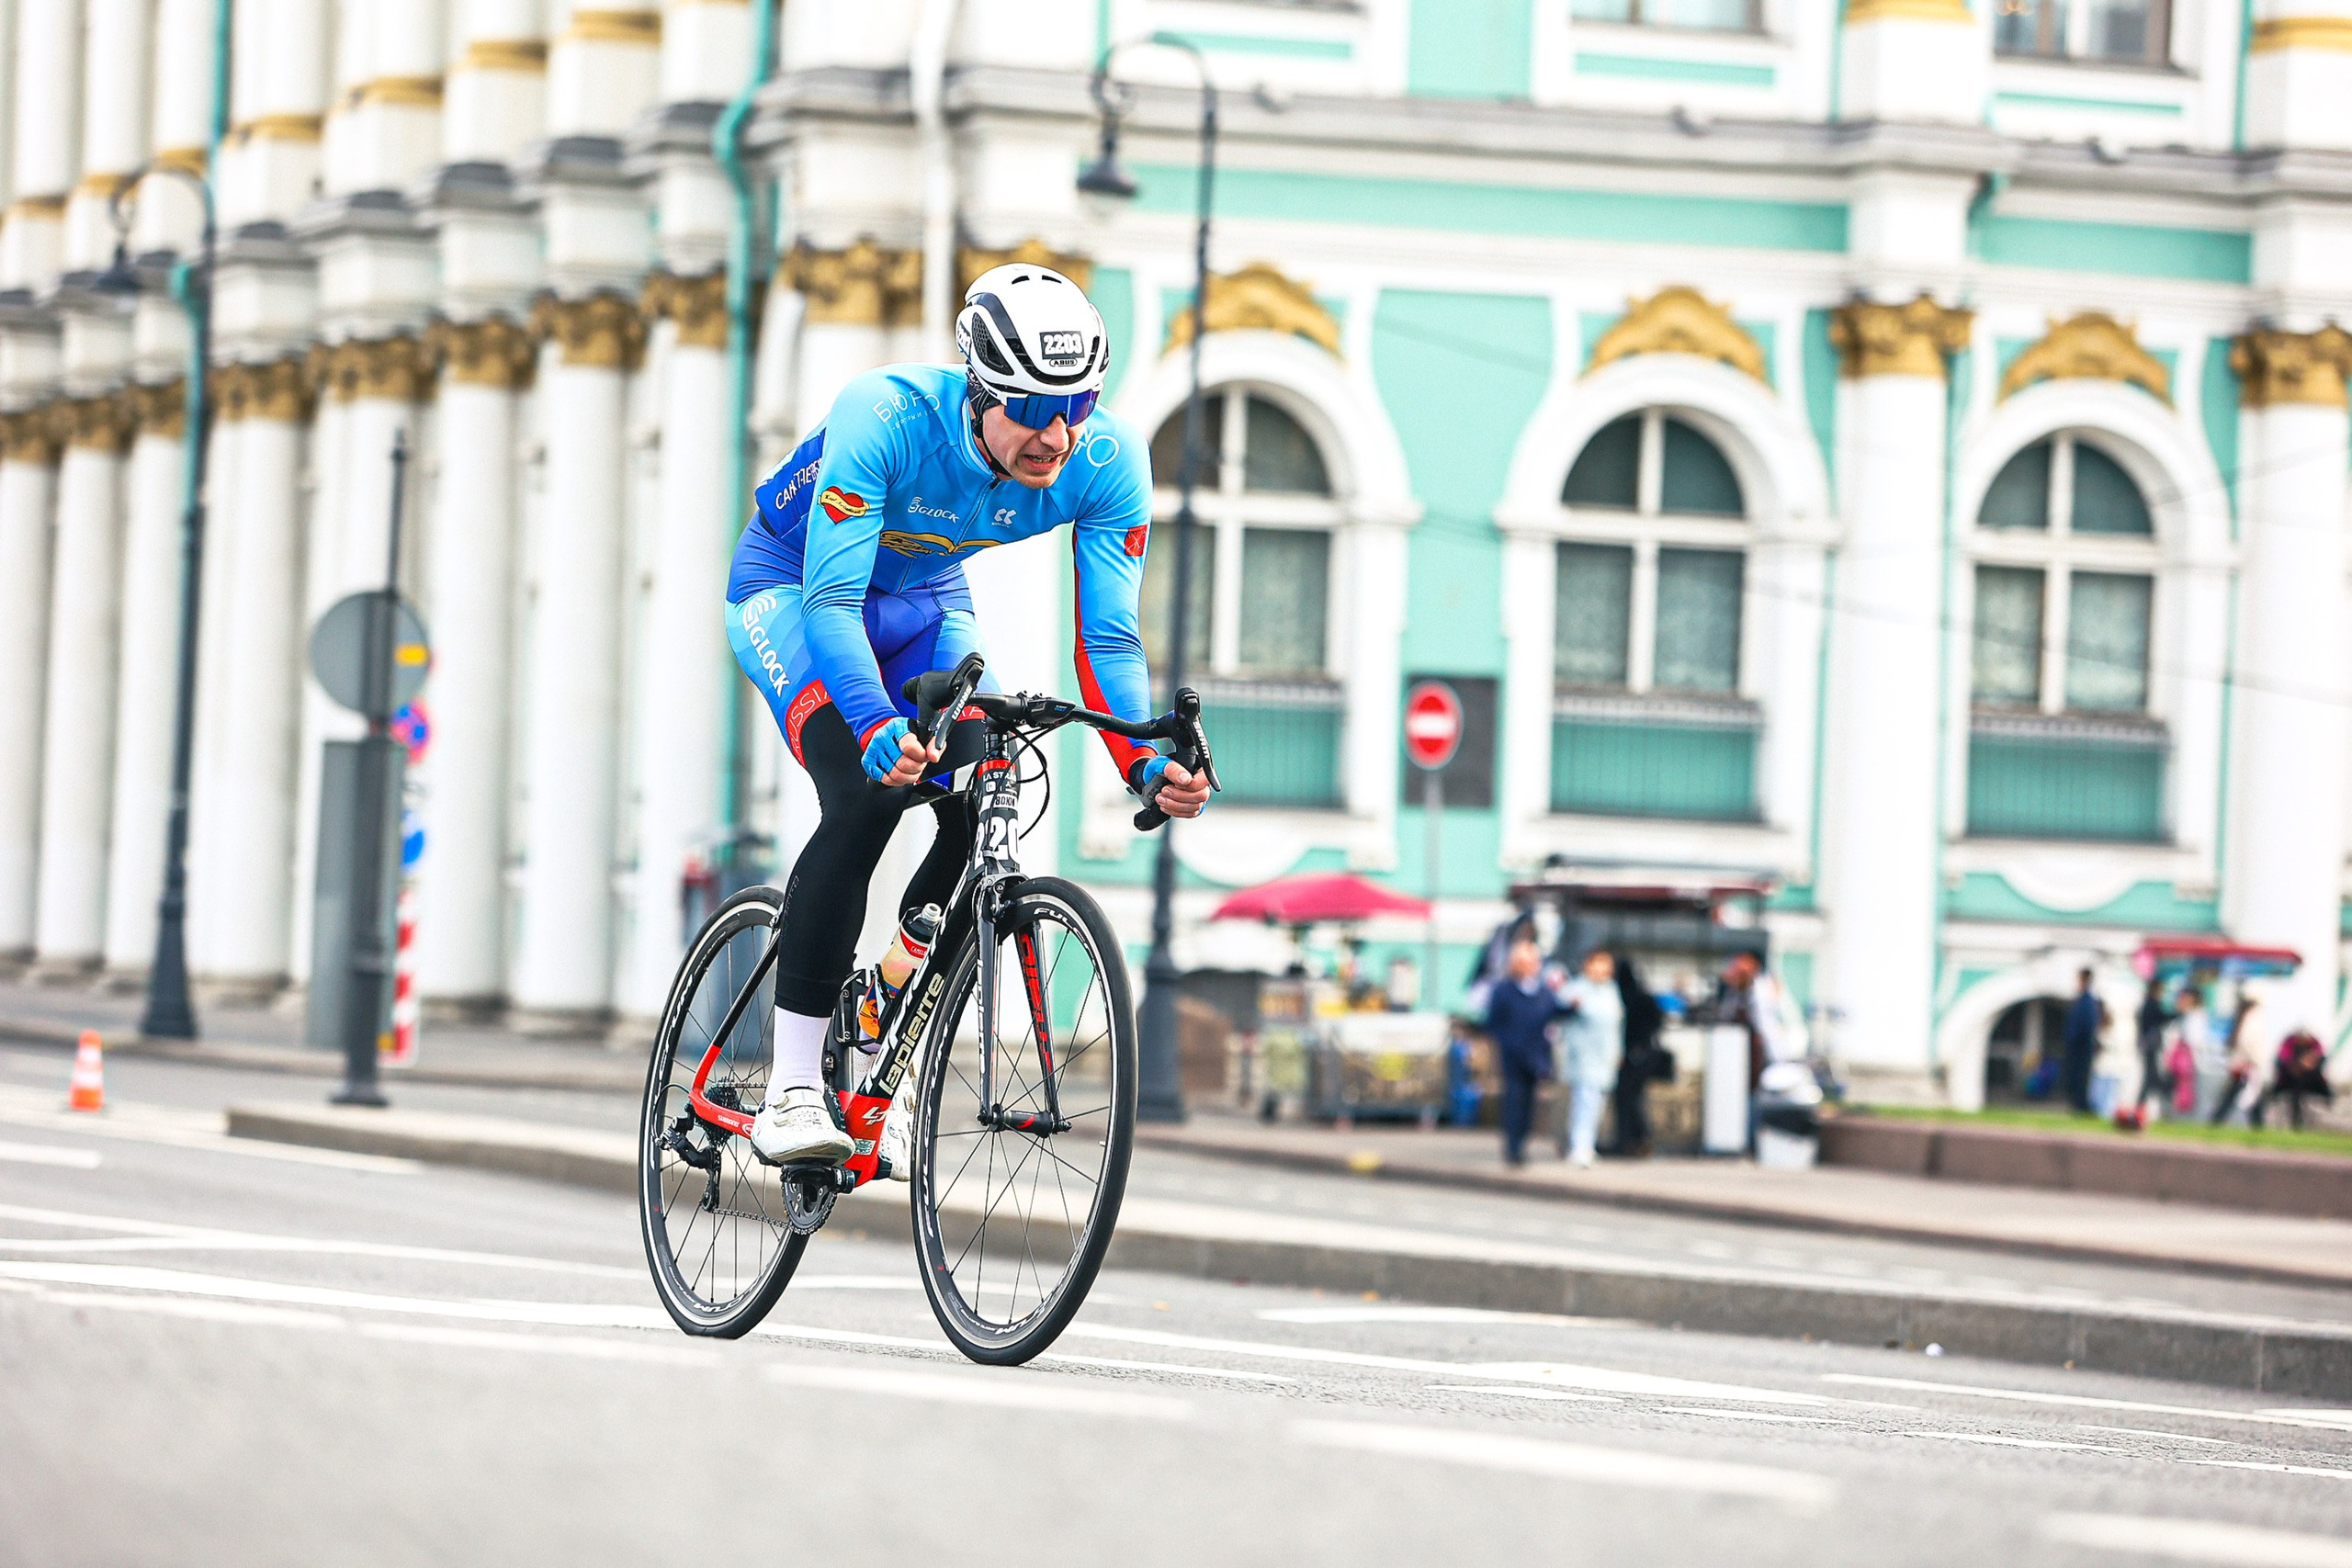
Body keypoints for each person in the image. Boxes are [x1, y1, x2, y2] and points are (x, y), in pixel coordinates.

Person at [724, 265, 1210, 1169]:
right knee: (870, 794)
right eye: (1029, 409)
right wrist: (873, 726)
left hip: (921, 601)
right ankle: (790, 1089)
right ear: (979, 392)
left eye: (1077, 405)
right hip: (793, 593)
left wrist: (1141, 764)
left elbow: (1106, 640)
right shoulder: (885, 414)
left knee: (985, 771)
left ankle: (889, 1015)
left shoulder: (1107, 461)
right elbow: (830, 606)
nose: (1056, 435)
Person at [1484, 936, 1568, 1168]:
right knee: (1514, 1100)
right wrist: (1508, 1042)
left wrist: (1573, 1007)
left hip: (1536, 1054)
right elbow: (1493, 1022)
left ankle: (1521, 1143)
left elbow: (1554, 1011)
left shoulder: (1541, 991)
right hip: (1514, 1055)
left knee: (1529, 1103)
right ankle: (1513, 1146)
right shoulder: (1504, 990)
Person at [1556, 949, 1626, 1168]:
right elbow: (1564, 1019)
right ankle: (1580, 1145)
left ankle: (1588, 1144)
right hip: (1583, 1054)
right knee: (1584, 1101)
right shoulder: (1576, 990)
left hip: (1604, 1055)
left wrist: (1617, 1052)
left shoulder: (1611, 991)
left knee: (1597, 1103)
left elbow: (1616, 1025)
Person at [1605, 950, 1667, 1158]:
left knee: (1626, 1099)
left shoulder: (1621, 997)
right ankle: (1638, 1138)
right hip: (1643, 1056)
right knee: (1633, 1098)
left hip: (1631, 1056)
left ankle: (1629, 1139)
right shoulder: (1645, 997)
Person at [2267, 1028, 2335, 1129]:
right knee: (2296, 1091)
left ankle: (2299, 1123)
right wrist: (2298, 1066)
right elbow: (2283, 1062)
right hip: (2290, 1083)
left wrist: (2309, 1063)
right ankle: (2296, 1123)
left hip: (2311, 1084)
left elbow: (2320, 1059)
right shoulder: (2288, 1048)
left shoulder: (2315, 1049)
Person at [2061, 967, 2101, 1114]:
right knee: (2076, 1076)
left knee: (2080, 1077)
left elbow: (2086, 1026)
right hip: (2079, 1046)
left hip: (2081, 1047)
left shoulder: (2087, 1001)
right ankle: (2078, 1104)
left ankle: (2081, 1105)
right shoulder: (2083, 1000)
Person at [2132, 979, 2172, 1119]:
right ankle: (2143, 1108)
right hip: (2151, 1046)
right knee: (2153, 1079)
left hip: (2149, 1046)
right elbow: (2161, 1019)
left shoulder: (2147, 1004)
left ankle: (2140, 1107)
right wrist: (2178, 1013)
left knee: (2150, 1079)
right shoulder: (2152, 1004)